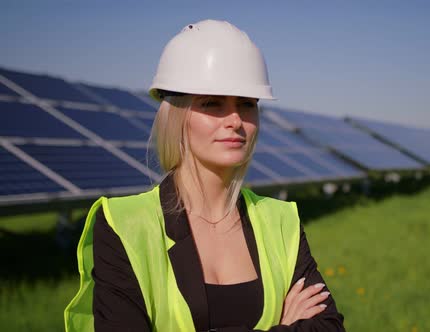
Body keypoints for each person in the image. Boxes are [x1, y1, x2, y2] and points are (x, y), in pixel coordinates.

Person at [64, 19, 345, 332]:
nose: (235, 120)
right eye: (212, 103)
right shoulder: (124, 224)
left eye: (247, 104)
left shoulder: (281, 220)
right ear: (177, 115)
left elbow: (328, 327)